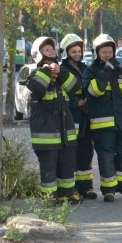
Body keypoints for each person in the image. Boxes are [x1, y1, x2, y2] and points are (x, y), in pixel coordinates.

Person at [82, 33, 122, 202]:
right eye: (104, 52)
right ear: (97, 53)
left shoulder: (119, 71)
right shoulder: (91, 71)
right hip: (102, 124)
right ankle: (109, 189)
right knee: (106, 156)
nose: (108, 55)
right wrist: (105, 70)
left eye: (110, 52)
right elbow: (94, 91)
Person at [25, 36, 82, 204]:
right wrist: (47, 71)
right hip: (46, 133)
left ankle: (66, 194)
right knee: (48, 167)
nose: (51, 51)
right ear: (38, 54)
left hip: (65, 132)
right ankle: (49, 197)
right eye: (47, 49)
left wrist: (61, 72)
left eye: (52, 49)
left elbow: (76, 86)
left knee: (67, 164)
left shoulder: (61, 75)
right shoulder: (34, 74)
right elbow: (37, 89)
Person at [59, 33, 97, 200]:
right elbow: (62, 94)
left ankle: (86, 187)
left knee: (86, 151)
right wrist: (76, 103)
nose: (77, 54)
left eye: (79, 51)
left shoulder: (84, 68)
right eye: (73, 51)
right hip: (72, 117)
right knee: (71, 153)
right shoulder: (62, 70)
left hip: (86, 118)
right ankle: (72, 188)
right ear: (66, 52)